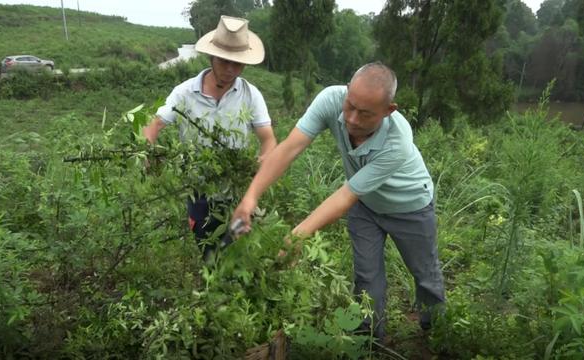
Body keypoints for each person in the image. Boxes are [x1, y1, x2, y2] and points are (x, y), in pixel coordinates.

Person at [232, 62, 445, 340]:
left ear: (388, 111)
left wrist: (296, 237)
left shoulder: (397, 141)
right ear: (346, 92)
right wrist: (250, 197)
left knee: (425, 275)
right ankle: (369, 340)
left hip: (410, 207)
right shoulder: (331, 100)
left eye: (365, 114)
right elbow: (289, 148)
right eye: (350, 106)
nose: (353, 119)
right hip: (366, 206)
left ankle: (437, 330)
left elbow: (344, 196)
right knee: (367, 277)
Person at [143, 15, 277, 261]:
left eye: (237, 64)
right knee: (207, 250)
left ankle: (230, 282)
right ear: (211, 57)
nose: (230, 70)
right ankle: (211, 282)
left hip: (236, 192)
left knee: (235, 247)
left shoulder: (250, 95)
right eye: (225, 62)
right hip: (199, 191)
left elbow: (268, 140)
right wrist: (146, 151)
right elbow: (154, 125)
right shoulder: (184, 93)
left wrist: (260, 163)